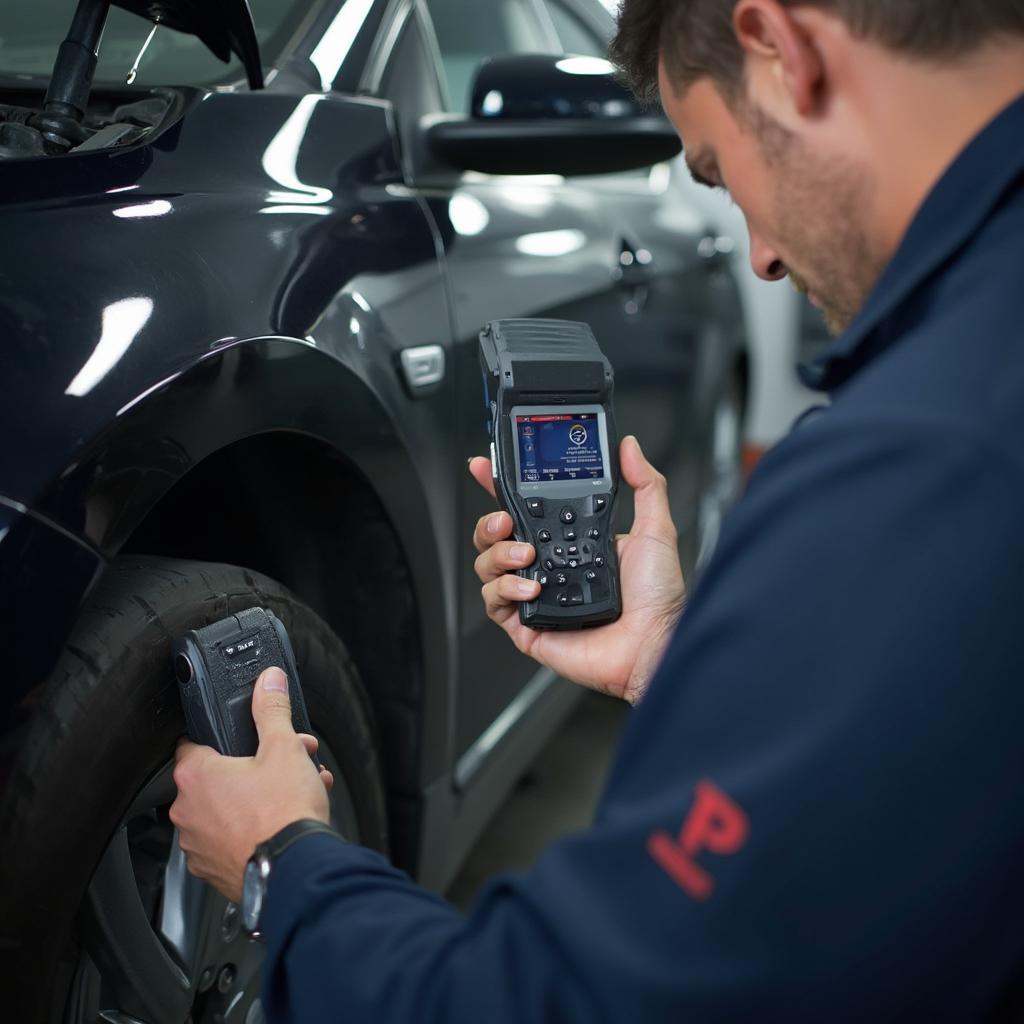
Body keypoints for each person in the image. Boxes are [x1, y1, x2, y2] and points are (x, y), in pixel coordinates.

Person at [170, 1, 1024, 1019]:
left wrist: (280, 860)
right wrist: (684, 669)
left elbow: (555, 1003)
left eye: (712, 167)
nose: (759, 257)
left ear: (780, 48)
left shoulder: (922, 466)